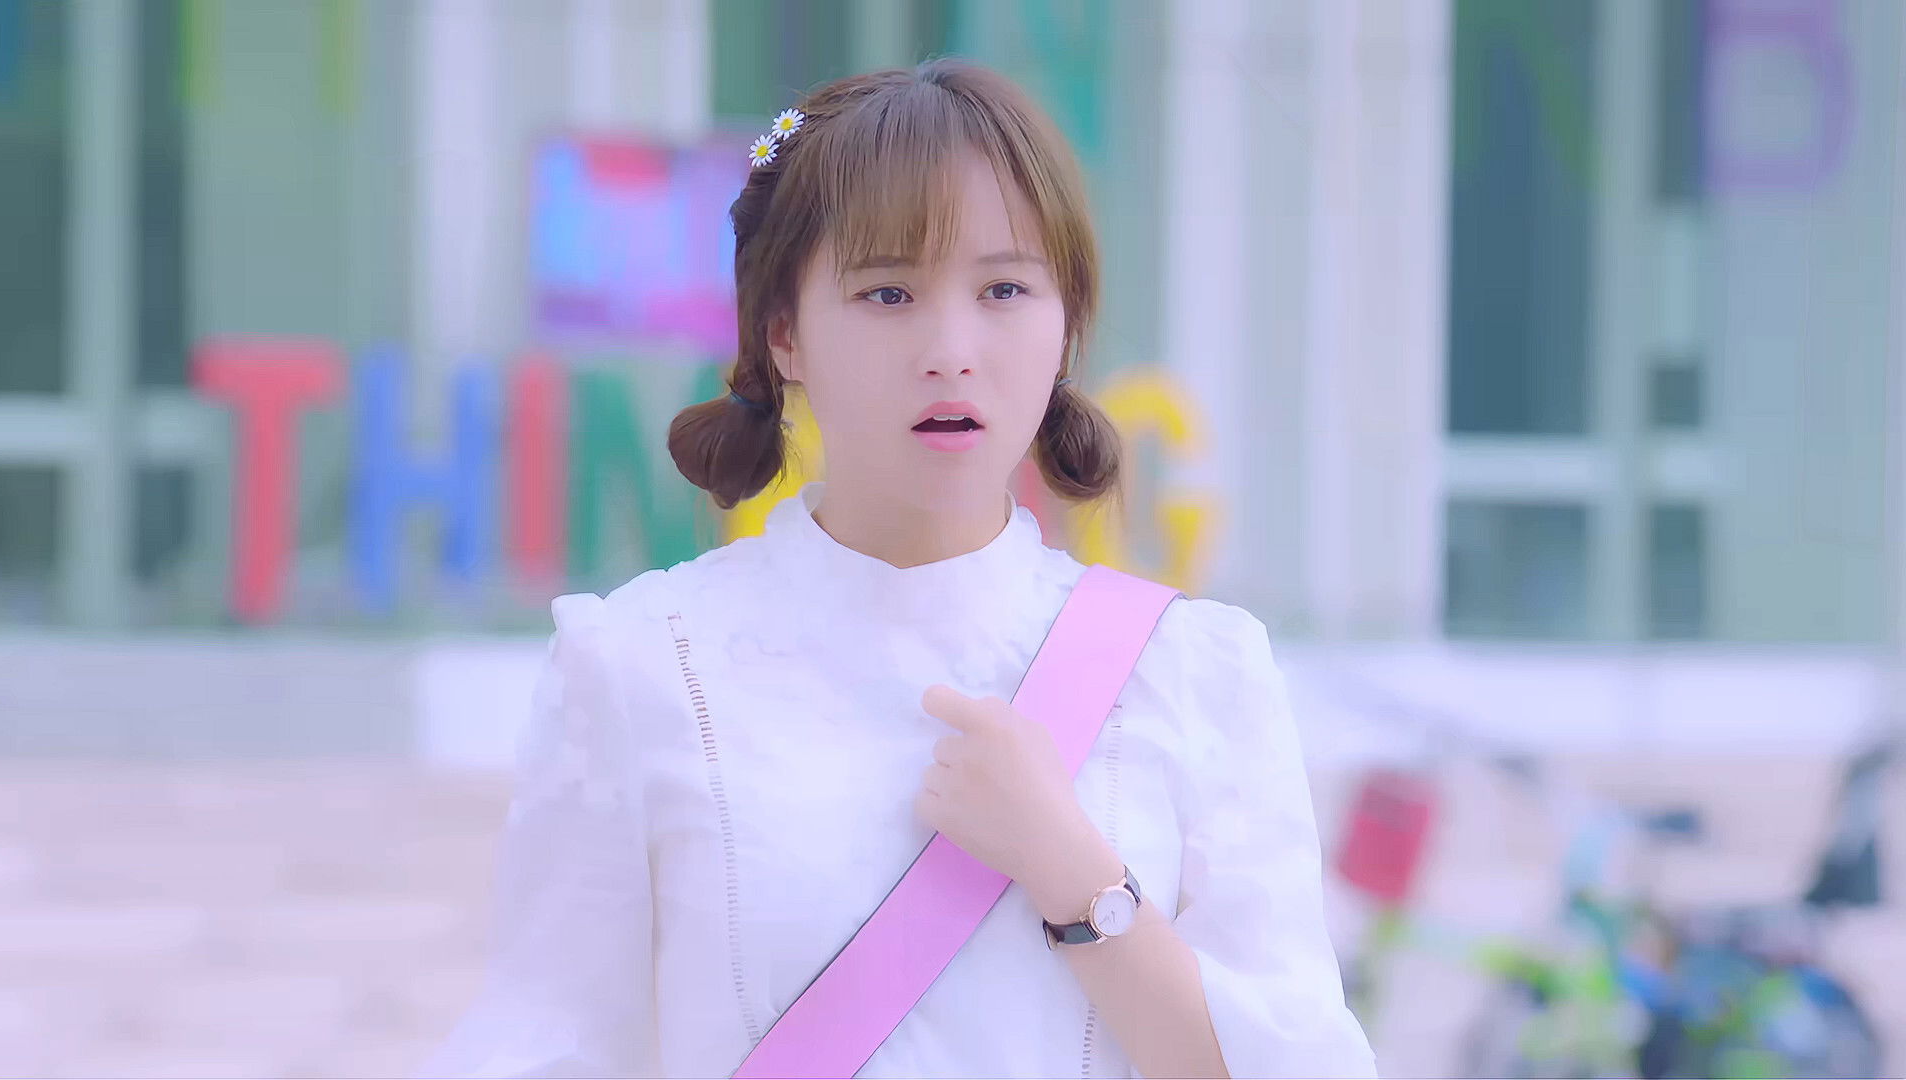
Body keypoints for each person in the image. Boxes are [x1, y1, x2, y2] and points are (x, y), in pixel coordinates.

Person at [417, 58, 1376, 1080]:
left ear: (1065, 326)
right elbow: (542, 1046)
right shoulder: (646, 667)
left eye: (1004, 289)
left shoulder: (1196, 671)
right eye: (888, 292)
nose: (951, 349)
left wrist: (1072, 870)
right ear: (783, 334)